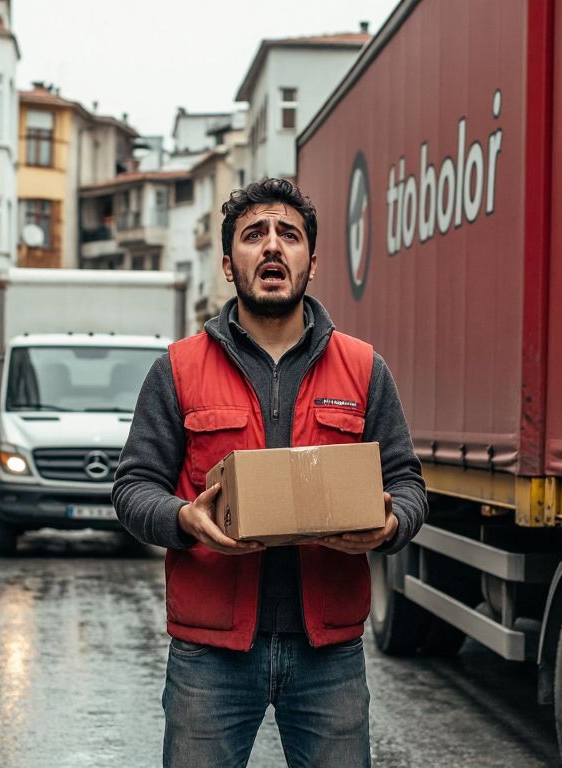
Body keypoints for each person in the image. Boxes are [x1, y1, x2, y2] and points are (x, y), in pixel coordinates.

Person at [112, 178, 428, 767]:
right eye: (255, 235)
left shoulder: (363, 368)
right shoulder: (178, 369)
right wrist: (185, 519)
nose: (273, 247)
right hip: (209, 656)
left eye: (290, 234)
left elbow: (408, 484)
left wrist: (388, 525)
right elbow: (132, 489)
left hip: (328, 656)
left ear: (313, 259)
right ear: (230, 264)